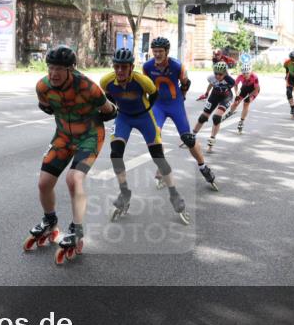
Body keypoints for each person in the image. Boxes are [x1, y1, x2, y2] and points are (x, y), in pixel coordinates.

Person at [31, 45, 117, 265]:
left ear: (71, 69)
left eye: (60, 68)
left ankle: (76, 228)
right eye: (51, 67)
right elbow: (45, 106)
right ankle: (50, 220)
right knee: (44, 183)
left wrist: (107, 112)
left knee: (73, 178)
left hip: (89, 136)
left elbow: (109, 110)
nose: (54, 73)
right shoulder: (43, 86)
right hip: (63, 137)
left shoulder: (88, 87)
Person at [100, 47, 189, 223]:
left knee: (158, 158)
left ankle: (174, 195)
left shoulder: (143, 81)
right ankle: (125, 193)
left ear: (131, 67)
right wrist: (118, 107)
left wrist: (146, 109)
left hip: (144, 118)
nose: (119, 71)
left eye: (124, 67)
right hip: (124, 118)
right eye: (116, 66)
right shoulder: (106, 81)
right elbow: (108, 96)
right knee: (115, 154)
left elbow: (154, 95)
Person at [142, 37, 218, 190]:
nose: (157, 54)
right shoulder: (147, 66)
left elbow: (185, 83)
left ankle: (203, 166)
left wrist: (182, 96)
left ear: (167, 52)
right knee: (154, 137)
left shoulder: (177, 66)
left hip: (175, 104)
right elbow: (145, 86)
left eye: (160, 52)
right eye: (155, 51)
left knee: (188, 138)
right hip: (158, 105)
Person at [193, 61, 236, 152]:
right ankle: (192, 136)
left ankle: (212, 140)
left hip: (226, 97)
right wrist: (206, 93)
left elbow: (235, 85)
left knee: (216, 117)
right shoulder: (211, 78)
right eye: (216, 73)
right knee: (203, 117)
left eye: (220, 74)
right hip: (214, 96)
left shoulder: (230, 80)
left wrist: (237, 94)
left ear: (225, 73)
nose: (218, 76)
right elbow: (211, 84)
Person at [225, 60, 261, 133]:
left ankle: (241, 121)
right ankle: (231, 112)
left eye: (247, 73)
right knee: (236, 102)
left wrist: (249, 96)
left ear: (250, 72)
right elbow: (235, 85)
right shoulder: (240, 76)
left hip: (254, 90)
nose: (245, 75)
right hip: (244, 88)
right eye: (244, 73)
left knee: (246, 103)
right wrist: (237, 94)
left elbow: (256, 89)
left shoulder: (255, 77)